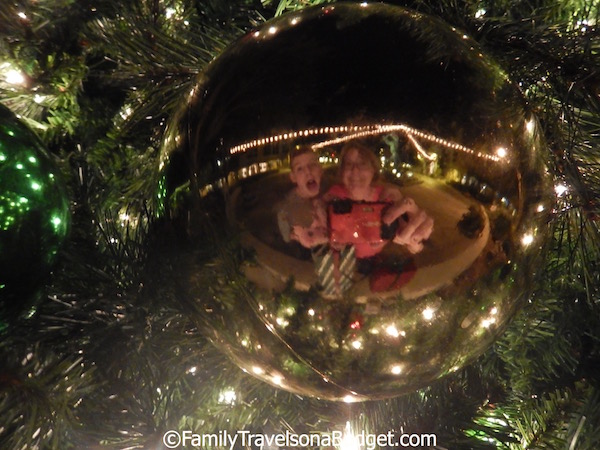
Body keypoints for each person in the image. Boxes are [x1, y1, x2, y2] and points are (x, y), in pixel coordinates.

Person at [323, 140, 434, 259]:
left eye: (362, 164)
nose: (355, 170)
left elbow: (407, 231)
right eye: (348, 164)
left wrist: (415, 236)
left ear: (373, 170)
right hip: (346, 262)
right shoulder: (334, 197)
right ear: (342, 171)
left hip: (375, 260)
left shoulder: (387, 197)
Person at [276, 146, 328, 252]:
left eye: (312, 165)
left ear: (320, 169)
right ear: (293, 177)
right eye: (300, 168)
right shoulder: (287, 210)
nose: (308, 171)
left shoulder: (330, 194)